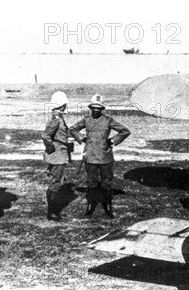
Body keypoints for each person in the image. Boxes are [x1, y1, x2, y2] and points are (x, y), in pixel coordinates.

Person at [70, 94, 130, 218]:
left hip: (105, 156)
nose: (96, 110)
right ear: (90, 108)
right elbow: (73, 129)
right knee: (91, 182)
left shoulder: (108, 120)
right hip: (90, 156)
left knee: (106, 183)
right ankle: (90, 205)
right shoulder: (86, 120)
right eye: (94, 107)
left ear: (103, 109)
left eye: (99, 108)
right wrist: (82, 138)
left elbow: (125, 131)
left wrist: (113, 140)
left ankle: (107, 206)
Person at [41, 91, 74, 221]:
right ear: (62, 105)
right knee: (55, 183)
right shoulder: (56, 120)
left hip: (58, 154)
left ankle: (53, 212)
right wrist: (52, 148)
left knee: (55, 182)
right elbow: (45, 136)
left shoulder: (57, 118)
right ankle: (52, 213)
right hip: (57, 155)